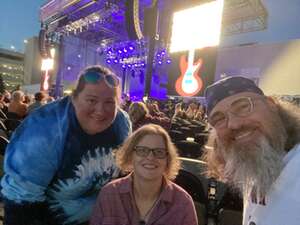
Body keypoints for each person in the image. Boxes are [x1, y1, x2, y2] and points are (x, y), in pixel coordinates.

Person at [1, 65, 132, 225]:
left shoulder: (122, 124)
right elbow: (20, 201)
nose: (101, 110)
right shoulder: (45, 128)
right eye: (92, 100)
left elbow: (124, 173)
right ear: (74, 99)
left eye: (109, 102)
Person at [202, 76, 300, 225]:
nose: (234, 124)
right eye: (219, 119)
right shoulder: (254, 166)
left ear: (271, 104)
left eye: (243, 106)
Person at [90, 124, 198, 225]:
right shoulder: (108, 195)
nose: (150, 157)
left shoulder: (183, 202)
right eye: (142, 150)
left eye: (159, 152)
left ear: (167, 159)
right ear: (130, 155)